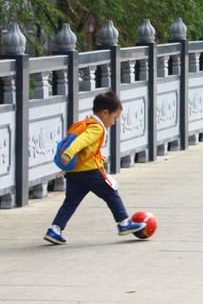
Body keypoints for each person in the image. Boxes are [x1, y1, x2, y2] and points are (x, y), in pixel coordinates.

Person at [43, 91, 145, 244]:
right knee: (111, 193)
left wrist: (98, 156)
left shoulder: (87, 122)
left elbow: (87, 148)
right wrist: (68, 153)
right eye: (115, 117)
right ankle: (124, 223)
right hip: (89, 172)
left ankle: (55, 230)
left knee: (70, 202)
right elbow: (82, 141)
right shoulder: (97, 128)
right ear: (105, 113)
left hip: (74, 173)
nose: (114, 122)